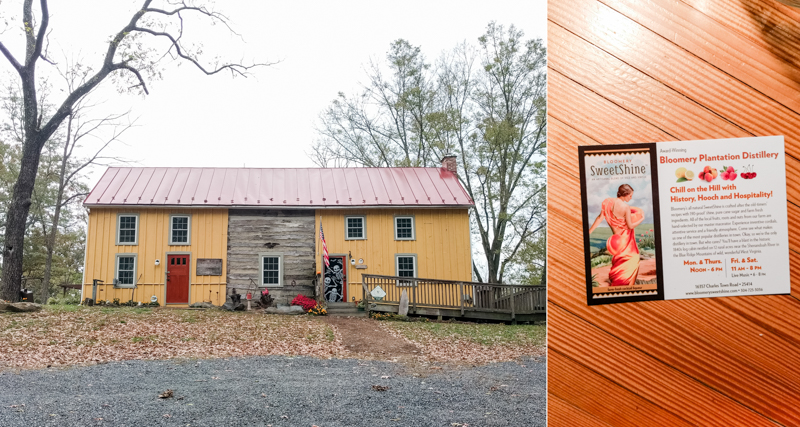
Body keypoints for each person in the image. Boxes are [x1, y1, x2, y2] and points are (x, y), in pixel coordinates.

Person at [588, 184, 645, 286]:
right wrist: (641, 219)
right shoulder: (625, 207)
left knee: (619, 261)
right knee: (633, 259)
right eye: (630, 196)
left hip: (616, 240)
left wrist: (589, 231)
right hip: (625, 240)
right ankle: (627, 286)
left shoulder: (607, 202)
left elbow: (600, 217)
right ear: (625, 194)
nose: (631, 198)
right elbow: (630, 226)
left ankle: (618, 283)